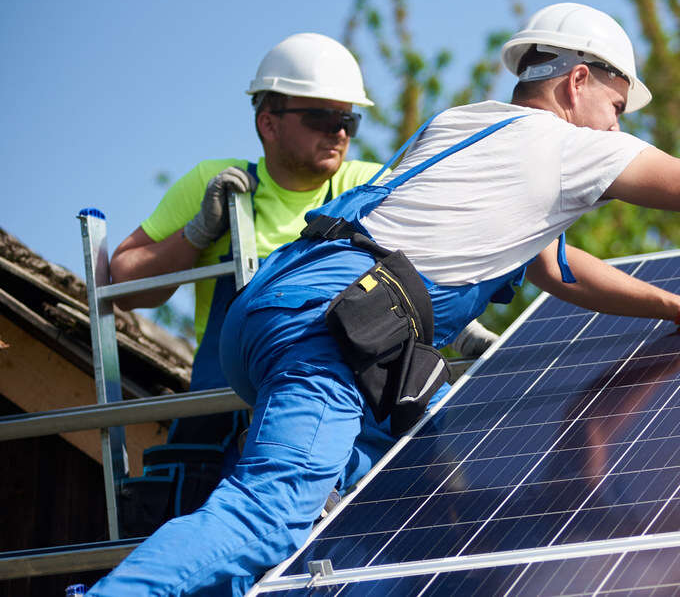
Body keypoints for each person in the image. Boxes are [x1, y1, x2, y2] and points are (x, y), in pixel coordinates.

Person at [90, 2, 680, 595]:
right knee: (267, 510)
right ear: (577, 81)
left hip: (287, 312)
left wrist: (677, 308)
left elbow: (556, 267)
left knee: (371, 533)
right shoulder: (563, 145)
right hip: (332, 330)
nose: (619, 129)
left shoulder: (464, 125)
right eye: (618, 107)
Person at [106, 32, 498, 535]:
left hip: (335, 409)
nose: (338, 131)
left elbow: (423, 275)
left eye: (348, 120)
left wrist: (457, 326)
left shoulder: (369, 185)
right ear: (267, 122)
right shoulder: (217, 184)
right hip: (229, 414)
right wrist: (199, 232)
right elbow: (124, 283)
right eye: (320, 117)